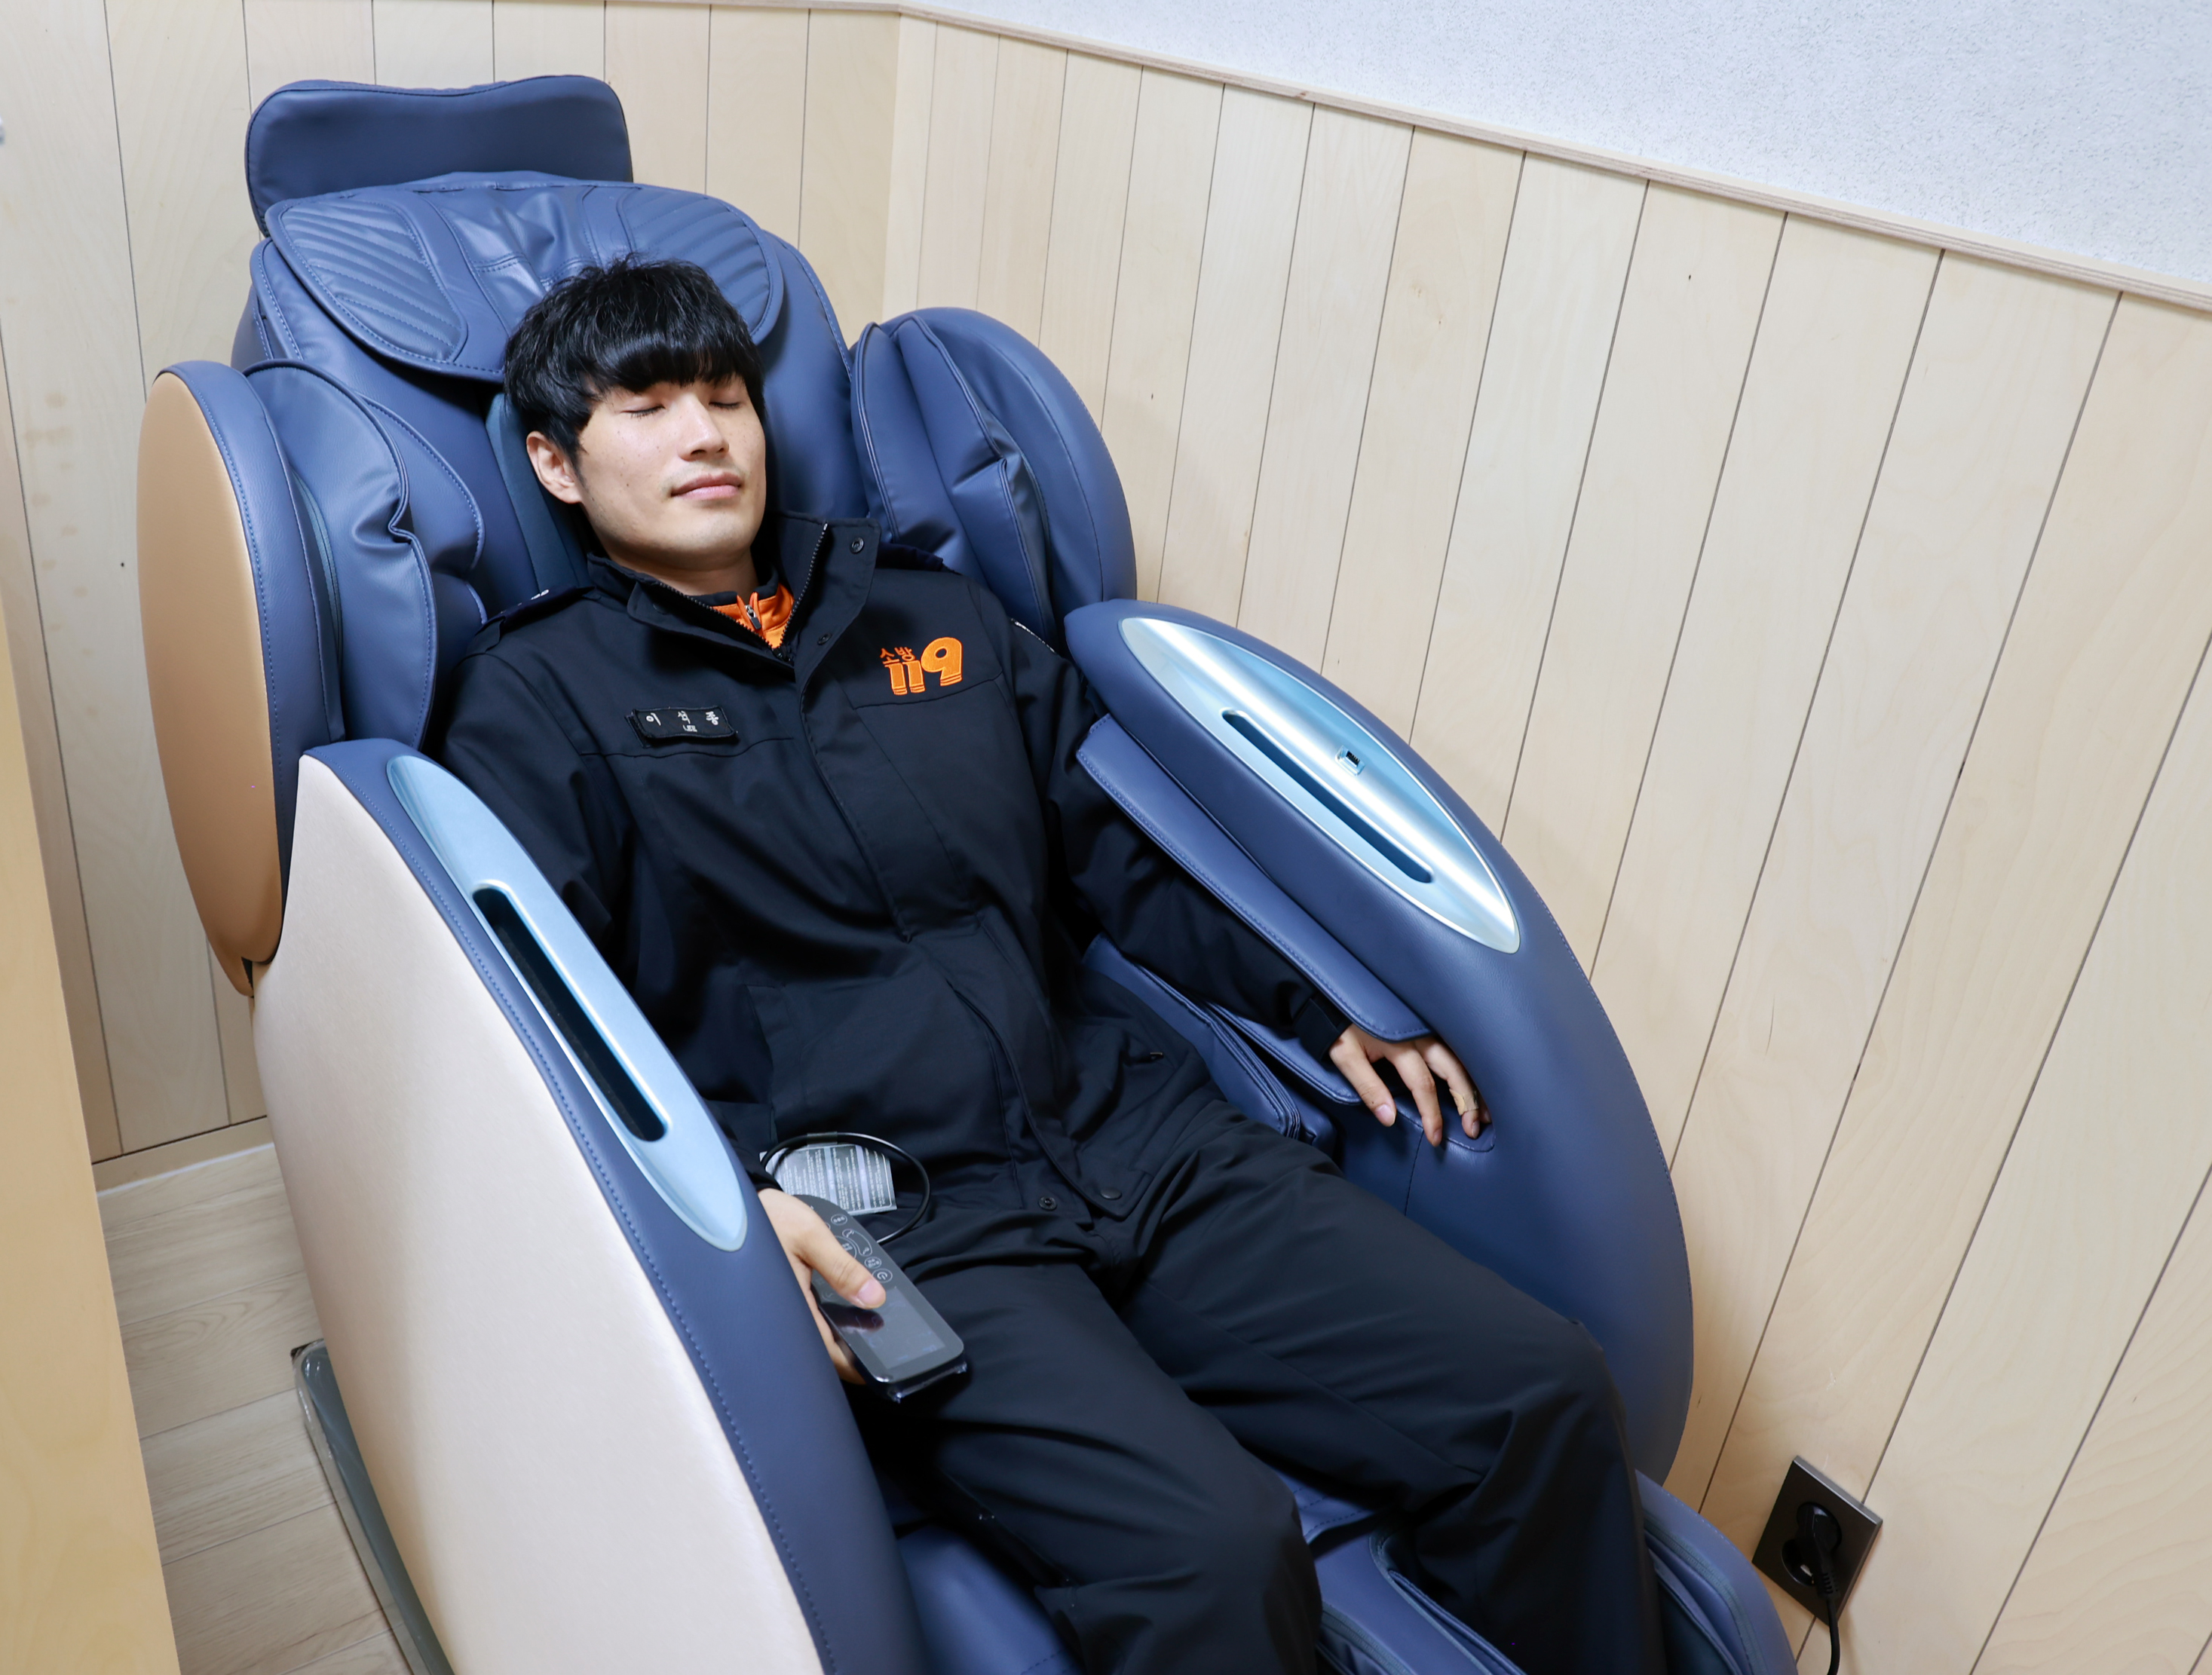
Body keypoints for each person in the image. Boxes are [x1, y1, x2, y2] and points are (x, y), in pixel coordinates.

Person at [434, 256, 1664, 1675]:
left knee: (1537, 1392)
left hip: (1129, 1131)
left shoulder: (933, 618)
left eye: (726, 397)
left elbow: (1120, 850)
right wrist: (728, 1202)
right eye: (648, 408)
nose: (706, 436)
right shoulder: (535, 697)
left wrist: (1320, 1002)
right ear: (557, 463)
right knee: (1212, 1552)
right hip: (894, 1217)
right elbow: (552, 1026)